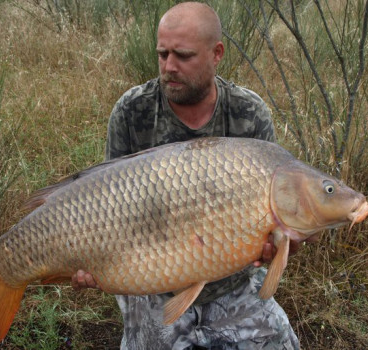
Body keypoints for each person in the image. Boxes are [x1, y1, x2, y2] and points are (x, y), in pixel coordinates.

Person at [72, 2, 300, 349]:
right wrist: (91, 261)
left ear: (216, 53)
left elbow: (276, 225)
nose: (169, 67)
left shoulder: (249, 113)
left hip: (230, 280)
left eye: (183, 55)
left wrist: (279, 244)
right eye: (162, 54)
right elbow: (104, 207)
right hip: (152, 280)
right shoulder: (132, 110)